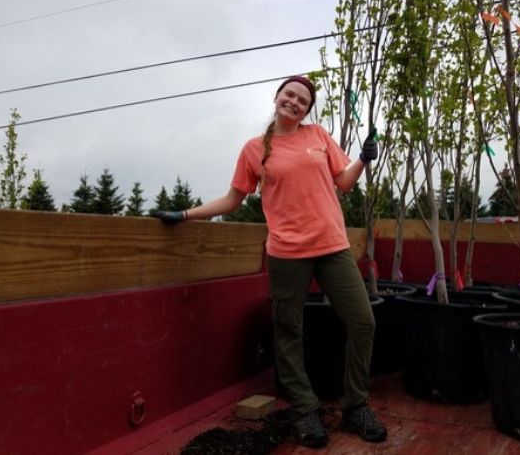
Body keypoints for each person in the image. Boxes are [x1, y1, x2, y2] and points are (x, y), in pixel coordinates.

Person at [152, 75, 386, 449]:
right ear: (277, 97)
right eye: (290, 95)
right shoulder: (254, 149)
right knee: (288, 330)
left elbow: (344, 183)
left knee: (363, 321)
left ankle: (356, 406)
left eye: (303, 101)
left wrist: (362, 158)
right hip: (287, 253)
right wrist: (184, 214)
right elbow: (232, 200)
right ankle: (304, 410)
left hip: (332, 247)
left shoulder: (318, 137)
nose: (295, 103)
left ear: (308, 110)